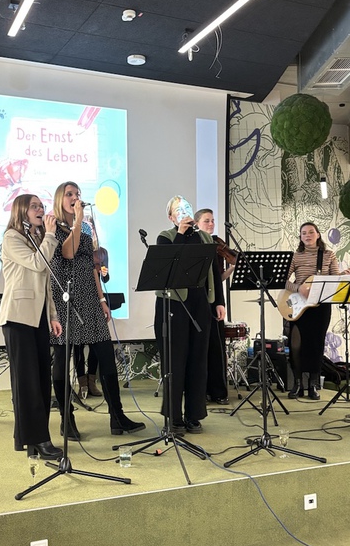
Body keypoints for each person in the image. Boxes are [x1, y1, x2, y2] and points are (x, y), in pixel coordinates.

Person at [50, 181, 145, 438]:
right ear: (59, 199)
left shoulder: (85, 227)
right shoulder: (52, 226)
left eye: (78, 193)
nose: (75, 197)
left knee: (105, 354)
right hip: (65, 299)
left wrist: (102, 298)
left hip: (90, 298)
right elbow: (68, 253)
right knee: (63, 358)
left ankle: (117, 416)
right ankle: (66, 419)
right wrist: (78, 221)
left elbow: (92, 265)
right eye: (69, 194)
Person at [0, 194, 63, 460]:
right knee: (27, 383)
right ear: (21, 211)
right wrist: (50, 235)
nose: (41, 210)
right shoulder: (11, 237)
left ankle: (26, 438)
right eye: (34, 206)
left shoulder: (37, 239)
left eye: (41, 206)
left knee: (41, 380)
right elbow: (38, 264)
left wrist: (53, 315)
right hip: (17, 317)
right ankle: (38, 439)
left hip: (38, 318)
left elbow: (45, 283)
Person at [154, 196, 226, 434]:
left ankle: (194, 415)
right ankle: (173, 417)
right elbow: (168, 268)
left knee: (198, 361)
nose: (184, 212)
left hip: (200, 304)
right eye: (179, 210)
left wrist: (218, 302)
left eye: (187, 208)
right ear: (171, 217)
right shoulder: (166, 237)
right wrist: (181, 234)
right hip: (174, 306)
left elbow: (214, 272)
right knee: (175, 362)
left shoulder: (205, 238)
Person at [285, 222, 340, 401]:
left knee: (316, 344)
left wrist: (342, 278)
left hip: (320, 306)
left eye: (310, 232)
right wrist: (298, 288)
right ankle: (297, 384)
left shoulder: (328, 255)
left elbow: (336, 280)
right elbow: (283, 279)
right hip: (299, 305)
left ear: (318, 234)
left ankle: (313, 385)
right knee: (296, 344)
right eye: (303, 233)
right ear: (300, 237)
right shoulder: (296, 257)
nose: (307, 235)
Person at [195, 208, 235, 403]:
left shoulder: (216, 246)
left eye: (212, 220)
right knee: (199, 349)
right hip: (196, 301)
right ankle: (200, 391)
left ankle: (218, 391)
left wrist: (232, 268)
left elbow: (217, 279)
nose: (211, 224)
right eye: (206, 221)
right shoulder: (194, 245)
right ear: (197, 224)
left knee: (216, 348)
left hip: (214, 300)